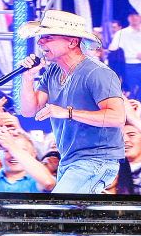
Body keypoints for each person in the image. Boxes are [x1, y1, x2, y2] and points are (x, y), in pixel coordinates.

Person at [16, 10, 126, 193]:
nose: (40, 42)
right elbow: (29, 110)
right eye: (41, 37)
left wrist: (67, 112)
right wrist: (27, 78)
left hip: (95, 160)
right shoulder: (52, 72)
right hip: (69, 160)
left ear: (72, 42)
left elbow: (117, 117)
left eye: (48, 37)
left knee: (57, 212)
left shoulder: (97, 73)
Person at [107, 12, 141, 103]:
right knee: (130, 96)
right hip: (130, 67)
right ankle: (129, 116)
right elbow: (112, 48)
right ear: (128, 18)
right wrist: (133, 55)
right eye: (131, 15)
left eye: (137, 15)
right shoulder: (122, 33)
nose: (134, 18)